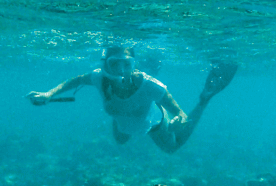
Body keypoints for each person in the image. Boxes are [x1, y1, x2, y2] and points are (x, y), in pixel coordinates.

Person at [26, 46, 237, 153]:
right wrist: (49, 94)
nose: (121, 71)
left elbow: (179, 112)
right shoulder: (99, 77)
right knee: (121, 140)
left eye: (127, 64)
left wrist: (179, 120)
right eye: (114, 64)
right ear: (105, 64)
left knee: (173, 148)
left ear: (134, 64)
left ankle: (205, 99)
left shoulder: (151, 85)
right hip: (123, 122)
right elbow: (75, 80)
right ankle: (123, 114)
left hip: (154, 123)